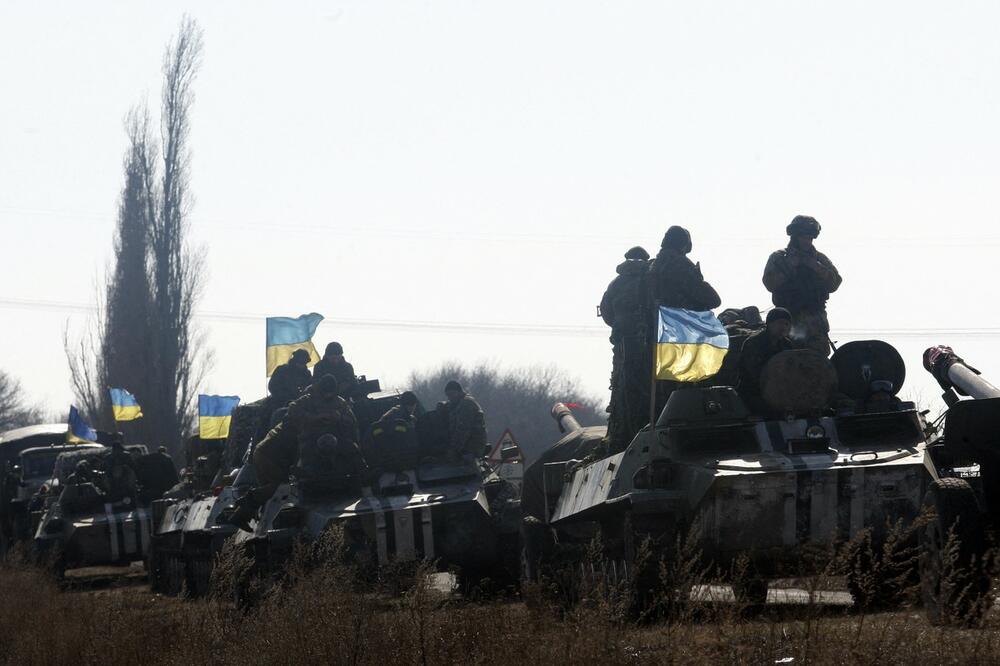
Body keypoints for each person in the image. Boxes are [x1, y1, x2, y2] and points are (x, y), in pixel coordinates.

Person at [229, 374, 359, 530]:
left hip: (283, 453)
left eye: (330, 393)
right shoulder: (305, 402)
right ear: (320, 389)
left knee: (278, 489)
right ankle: (244, 510)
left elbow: (351, 423)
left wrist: (339, 419)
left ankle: (243, 513)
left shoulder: (339, 403)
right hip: (270, 453)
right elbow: (294, 418)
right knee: (281, 489)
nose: (328, 397)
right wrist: (320, 417)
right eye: (325, 393)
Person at [762, 215, 842, 355]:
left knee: (817, 362)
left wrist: (815, 266)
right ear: (795, 237)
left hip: (815, 323)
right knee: (784, 359)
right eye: (803, 237)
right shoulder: (780, 258)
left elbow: (835, 283)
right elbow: (770, 284)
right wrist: (790, 266)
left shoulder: (819, 259)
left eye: (810, 238)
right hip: (786, 322)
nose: (807, 241)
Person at [599, 246, 653, 453]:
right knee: (645, 386)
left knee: (623, 387)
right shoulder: (650, 278)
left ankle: (625, 433)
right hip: (645, 338)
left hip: (622, 339)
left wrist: (619, 325)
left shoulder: (616, 282)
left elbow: (606, 312)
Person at [648, 226, 722, 311]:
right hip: (680, 317)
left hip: (659, 316)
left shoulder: (654, 265)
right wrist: (698, 277)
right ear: (684, 245)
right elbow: (713, 300)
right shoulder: (681, 265)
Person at [737, 308, 795, 414]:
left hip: (780, 390)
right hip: (754, 392)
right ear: (769, 324)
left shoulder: (787, 345)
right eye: (780, 323)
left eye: (786, 324)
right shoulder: (753, 343)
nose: (783, 327)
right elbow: (753, 373)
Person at [444, 381, 487, 460]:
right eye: (448, 395)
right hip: (465, 445)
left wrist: (454, 450)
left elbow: (463, 429)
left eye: (452, 394)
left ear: (459, 392)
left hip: (472, 445)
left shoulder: (466, 404)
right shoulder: (456, 404)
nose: (450, 398)